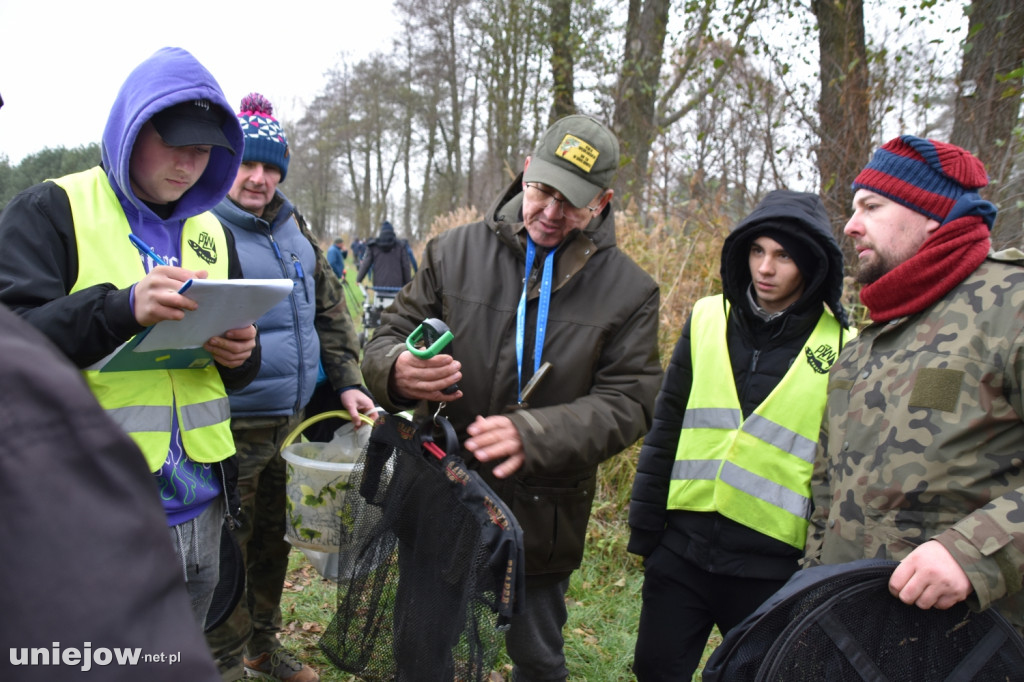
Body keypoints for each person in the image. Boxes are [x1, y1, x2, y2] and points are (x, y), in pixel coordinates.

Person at [361, 114, 663, 681]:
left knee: (539, 658)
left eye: (570, 201)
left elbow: (631, 402)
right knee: (421, 647)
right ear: (526, 172)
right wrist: (398, 370)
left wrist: (534, 433)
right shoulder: (452, 253)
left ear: (602, 202)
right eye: (542, 190)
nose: (550, 213)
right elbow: (384, 338)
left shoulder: (631, 291)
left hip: (543, 513)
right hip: (441, 489)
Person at [0, 46, 258, 627]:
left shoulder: (214, 231)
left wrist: (241, 354)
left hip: (202, 505)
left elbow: (229, 370)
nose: (189, 164)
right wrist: (122, 309)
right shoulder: (51, 209)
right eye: (174, 143)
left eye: (204, 150)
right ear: (130, 127)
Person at [803, 135, 1024, 638]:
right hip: (849, 635)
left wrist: (973, 552)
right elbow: (827, 492)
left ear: (931, 212)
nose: (850, 224)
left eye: (871, 206)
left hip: (972, 647)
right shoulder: (867, 340)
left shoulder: (1010, 305)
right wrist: (809, 593)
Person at [627, 190, 852, 680]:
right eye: (757, 251)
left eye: (783, 256)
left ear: (810, 264)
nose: (765, 268)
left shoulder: (843, 345)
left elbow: (836, 472)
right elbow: (666, 426)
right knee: (654, 670)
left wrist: (814, 570)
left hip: (770, 569)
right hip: (682, 553)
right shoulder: (708, 317)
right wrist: (647, 533)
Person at [206, 93, 376, 682]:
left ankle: (261, 647)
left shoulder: (295, 229)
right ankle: (222, 663)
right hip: (226, 426)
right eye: (246, 164)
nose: (258, 178)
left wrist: (349, 382)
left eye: (270, 166)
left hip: (291, 422)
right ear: (225, 166)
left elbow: (330, 312)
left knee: (274, 544)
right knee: (228, 549)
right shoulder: (202, 229)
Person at [356, 220, 414, 299]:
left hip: (379, 285)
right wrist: (408, 284)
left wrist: (359, 279)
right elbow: (406, 266)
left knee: (379, 306)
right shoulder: (401, 246)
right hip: (396, 285)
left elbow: (366, 264)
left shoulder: (374, 246)